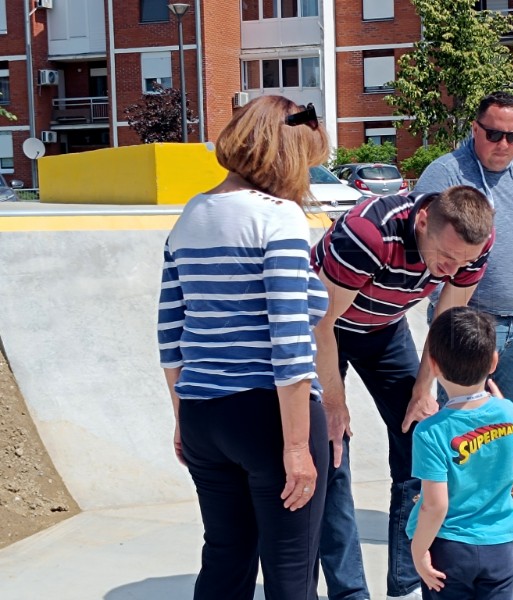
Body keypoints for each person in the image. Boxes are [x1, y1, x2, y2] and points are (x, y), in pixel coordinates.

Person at [157, 96, 331, 599]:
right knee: (290, 574)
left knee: (225, 559)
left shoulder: (191, 215)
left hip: (203, 415)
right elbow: (289, 339)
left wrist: (181, 415)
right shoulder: (278, 217)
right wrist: (297, 446)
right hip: (268, 418)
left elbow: (170, 332)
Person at [311, 186, 495, 600]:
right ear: (424, 219)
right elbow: (320, 323)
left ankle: (408, 578)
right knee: (332, 450)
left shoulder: (473, 244)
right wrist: (334, 404)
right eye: (445, 258)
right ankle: (349, 592)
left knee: (421, 442)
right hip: (326, 328)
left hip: (384, 327)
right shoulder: (367, 235)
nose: (449, 271)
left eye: (461, 263)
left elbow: (446, 317)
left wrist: (422, 387)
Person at [413, 91, 513, 416]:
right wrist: (448, 311)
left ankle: (508, 471)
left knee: (507, 425)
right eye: (494, 134)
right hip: (468, 328)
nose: (503, 144)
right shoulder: (445, 174)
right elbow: (420, 249)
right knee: (458, 425)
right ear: (475, 129)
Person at [407, 306, 513, 599]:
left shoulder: (431, 431)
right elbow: (510, 462)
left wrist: (419, 552)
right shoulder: (508, 411)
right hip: (500, 545)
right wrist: (500, 408)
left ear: (433, 365)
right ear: (494, 361)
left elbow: (435, 506)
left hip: (450, 547)